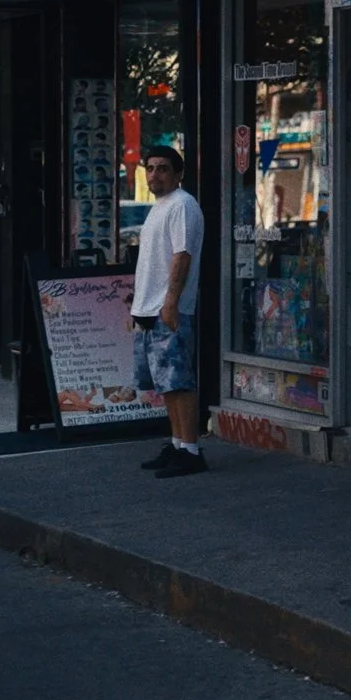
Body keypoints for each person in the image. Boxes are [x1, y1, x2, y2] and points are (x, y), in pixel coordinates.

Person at [133, 145, 207, 478]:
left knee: (179, 381)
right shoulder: (159, 207)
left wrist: (171, 301)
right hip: (148, 308)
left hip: (168, 308)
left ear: (178, 174)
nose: (155, 174)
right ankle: (177, 444)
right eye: (150, 168)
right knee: (165, 383)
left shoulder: (183, 205)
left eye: (163, 168)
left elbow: (182, 256)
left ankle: (191, 449)